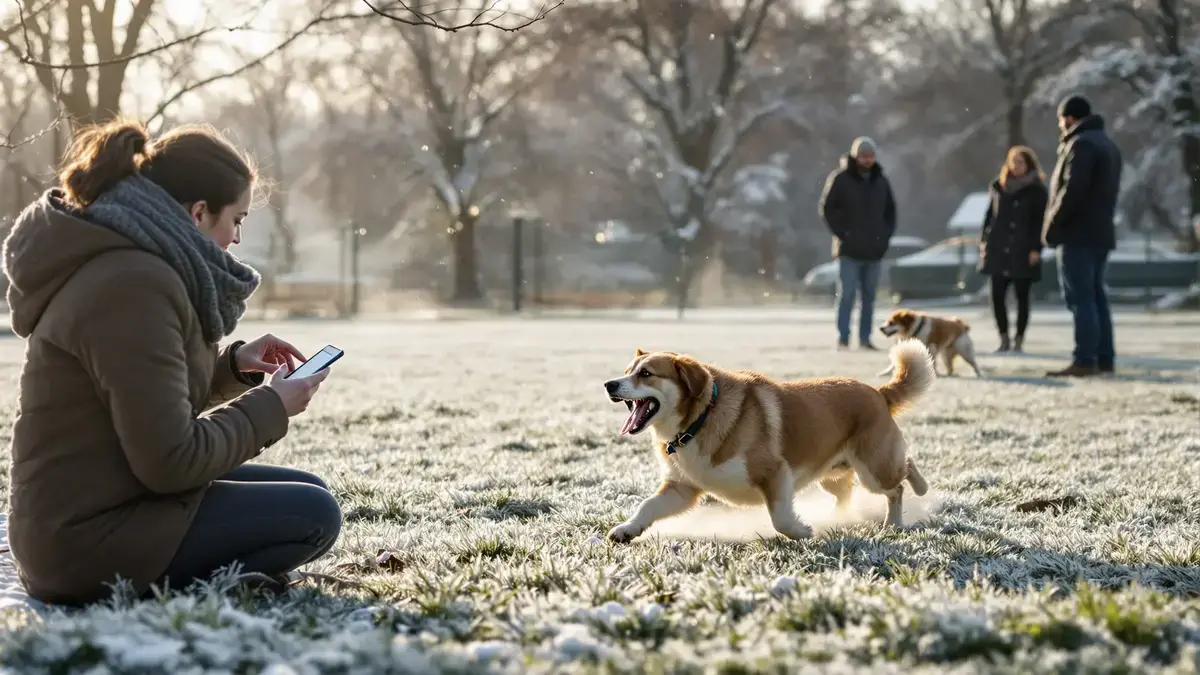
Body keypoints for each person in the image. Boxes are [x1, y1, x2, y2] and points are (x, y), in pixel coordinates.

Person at [2, 119, 342, 606]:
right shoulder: (133, 284)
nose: (237, 239)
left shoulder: (134, 263)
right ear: (199, 213)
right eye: (238, 219)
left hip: (97, 507)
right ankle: (188, 587)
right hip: (84, 545)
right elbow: (172, 461)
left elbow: (142, 403)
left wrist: (235, 369)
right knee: (314, 514)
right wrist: (272, 405)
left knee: (307, 488)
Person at [1042, 94, 1123, 377]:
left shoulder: (1081, 144)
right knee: (1097, 296)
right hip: (1101, 232)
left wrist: (1052, 225)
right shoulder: (1107, 144)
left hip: (1078, 233)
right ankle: (1104, 358)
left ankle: (1084, 359)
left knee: (1081, 298)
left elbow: (1072, 190)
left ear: (1069, 118)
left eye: (1061, 120)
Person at [819, 136, 898, 350]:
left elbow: (891, 211)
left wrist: (885, 236)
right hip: (848, 251)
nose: (867, 160)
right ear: (856, 156)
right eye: (864, 156)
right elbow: (826, 209)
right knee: (847, 296)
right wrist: (843, 233)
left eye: (871, 156)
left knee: (869, 298)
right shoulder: (840, 179)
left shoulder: (881, 180)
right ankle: (843, 337)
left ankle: (865, 339)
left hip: (874, 251)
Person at [979, 145, 1049, 353]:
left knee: (1022, 296)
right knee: (997, 295)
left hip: (1023, 248)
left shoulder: (1037, 190)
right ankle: (1003, 338)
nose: (1016, 166)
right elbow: (989, 217)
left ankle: (1019, 339)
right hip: (998, 247)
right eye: (1013, 162)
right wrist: (984, 241)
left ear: (1028, 165)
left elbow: (1040, 221)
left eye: (1021, 162)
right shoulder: (998, 187)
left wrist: (1036, 248)